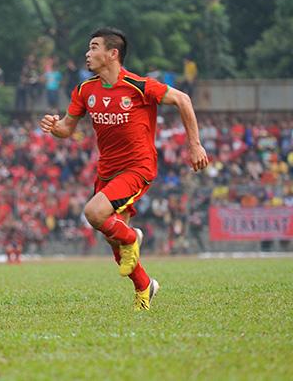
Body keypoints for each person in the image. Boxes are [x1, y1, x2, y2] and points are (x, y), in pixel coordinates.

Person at [39, 28, 209, 311]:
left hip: (137, 167)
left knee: (95, 213)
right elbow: (67, 129)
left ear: (112, 53)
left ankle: (134, 237)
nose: (87, 53)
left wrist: (195, 146)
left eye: (94, 47)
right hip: (106, 171)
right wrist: (54, 127)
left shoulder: (140, 86)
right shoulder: (85, 89)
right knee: (112, 239)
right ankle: (145, 287)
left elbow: (183, 100)